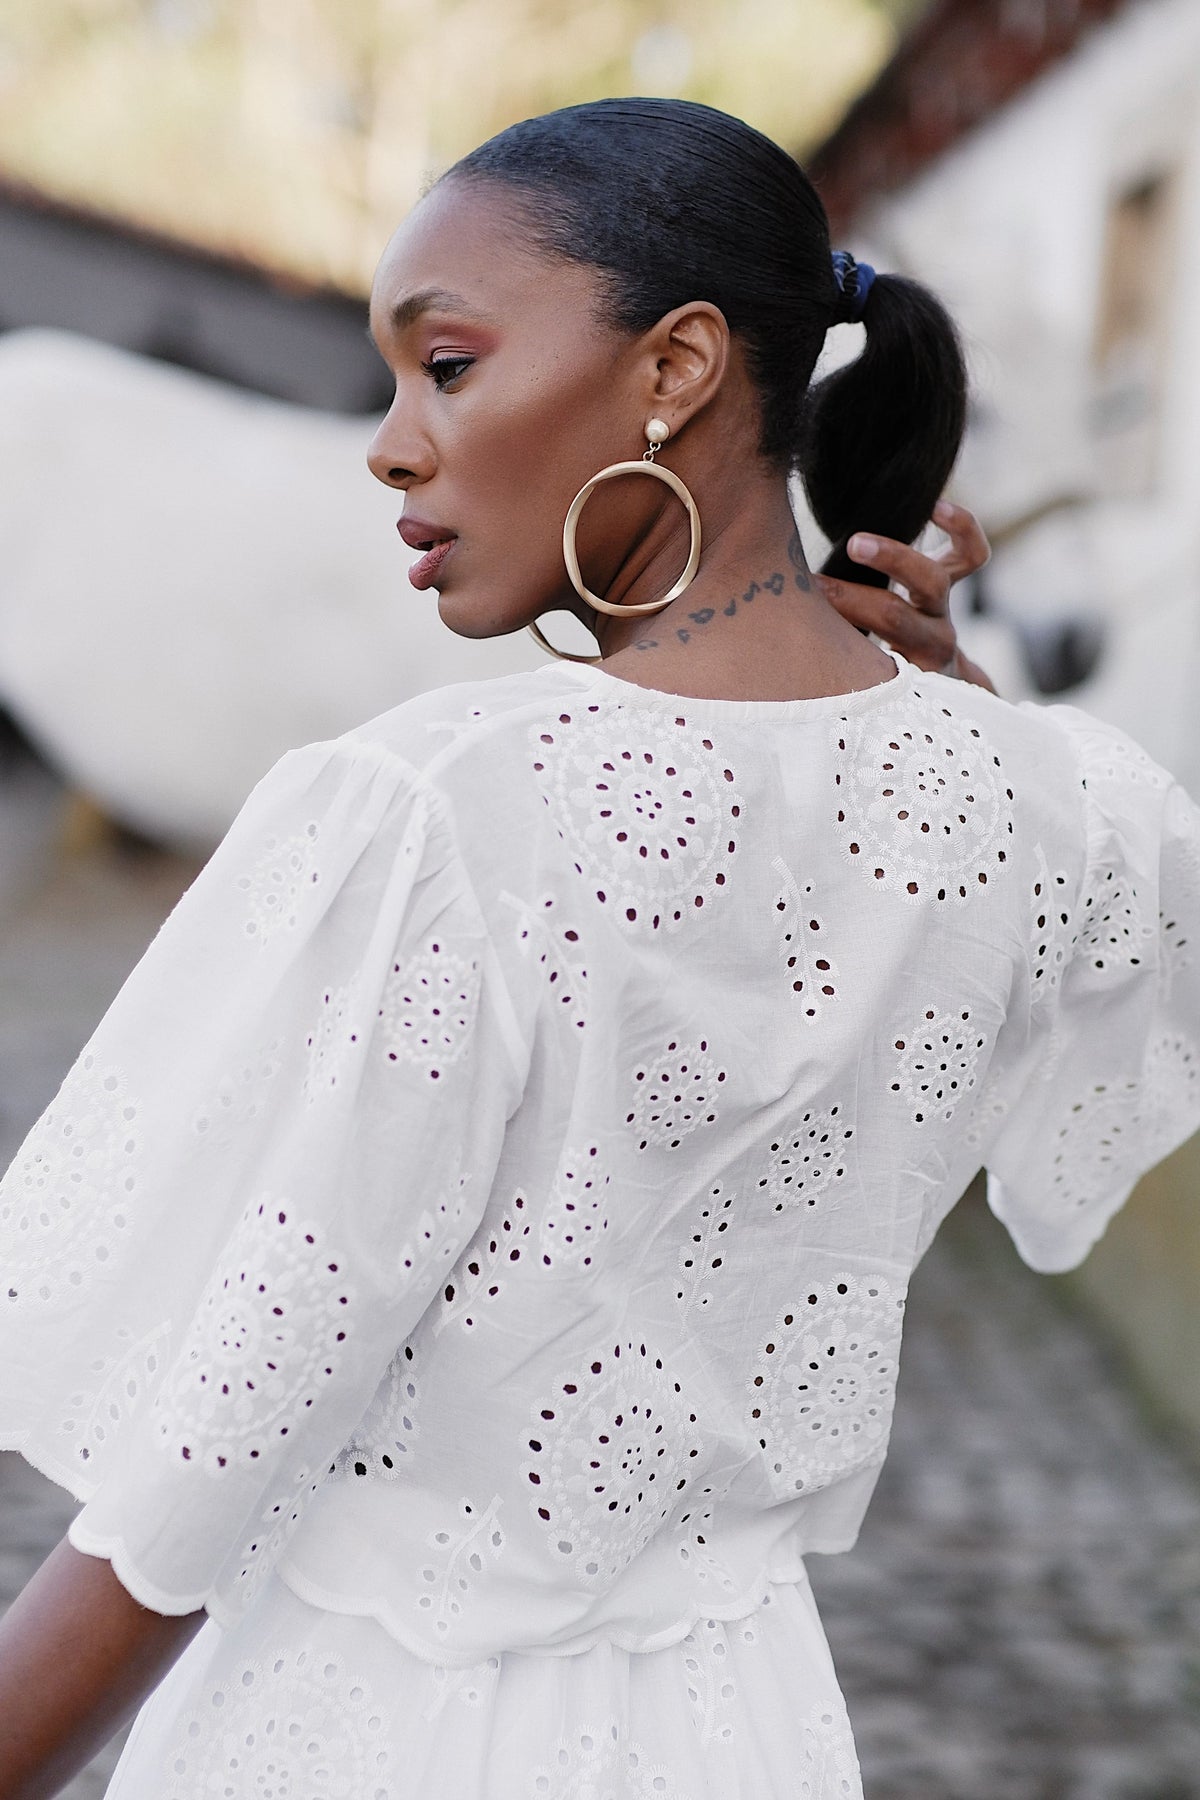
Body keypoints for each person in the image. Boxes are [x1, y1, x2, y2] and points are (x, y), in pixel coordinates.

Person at [0, 96, 1196, 1800]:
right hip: (744, 1734)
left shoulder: (438, 821)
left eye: (451, 365)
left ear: (678, 367)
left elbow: (192, 1495)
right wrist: (972, 723)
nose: (392, 443)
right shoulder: (1056, 809)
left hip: (369, 1734)